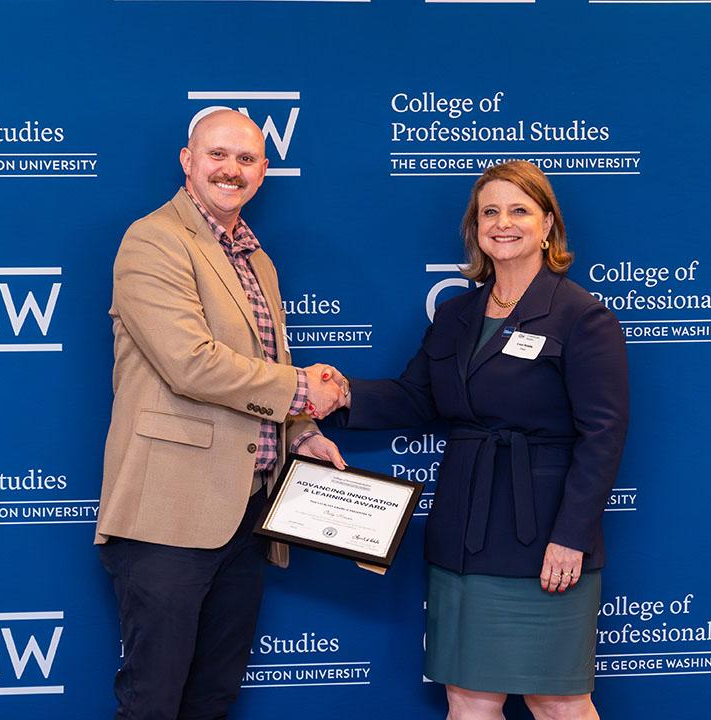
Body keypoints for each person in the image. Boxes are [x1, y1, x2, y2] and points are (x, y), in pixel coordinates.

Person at [325, 161, 628, 720]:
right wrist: (341, 393)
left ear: (547, 225)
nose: (503, 223)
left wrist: (571, 537)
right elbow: (416, 398)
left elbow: (603, 436)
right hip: (462, 533)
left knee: (558, 703)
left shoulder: (581, 316)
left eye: (519, 211)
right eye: (490, 212)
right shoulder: (455, 314)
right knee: (467, 702)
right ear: (476, 228)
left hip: (543, 540)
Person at [95, 109, 346, 720]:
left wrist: (302, 432)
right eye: (218, 154)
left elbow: (262, 366)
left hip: (247, 512)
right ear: (187, 161)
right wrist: (302, 390)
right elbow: (191, 364)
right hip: (169, 513)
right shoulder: (153, 239)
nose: (231, 169)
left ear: (262, 171)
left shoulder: (257, 260)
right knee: (153, 703)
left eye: (246, 159)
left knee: (212, 699)